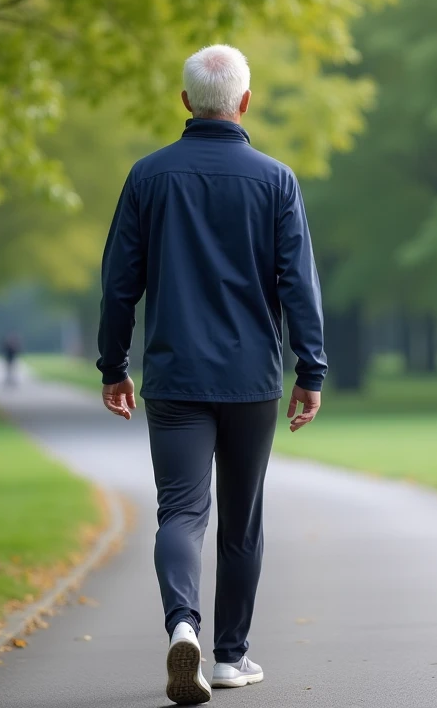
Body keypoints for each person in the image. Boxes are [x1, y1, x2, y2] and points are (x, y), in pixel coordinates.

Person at [96, 44, 326, 705]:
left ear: (186, 102)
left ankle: (182, 628)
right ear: (246, 102)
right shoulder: (276, 181)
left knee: (181, 512)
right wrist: (311, 368)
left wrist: (113, 365)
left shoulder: (147, 178)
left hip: (174, 376)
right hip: (252, 377)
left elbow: (119, 286)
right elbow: (298, 286)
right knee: (242, 519)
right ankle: (230, 659)